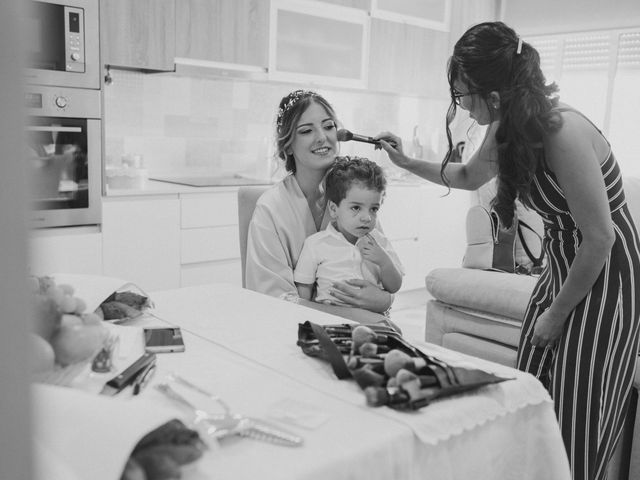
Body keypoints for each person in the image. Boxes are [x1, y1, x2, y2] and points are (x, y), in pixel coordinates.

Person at [375, 21, 640, 480]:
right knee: (530, 395)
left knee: (575, 415)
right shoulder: (507, 128)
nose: (461, 105)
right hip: (562, 265)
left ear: (494, 96)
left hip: (606, 278)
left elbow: (600, 239)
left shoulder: (563, 133)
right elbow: (465, 178)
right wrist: (403, 161)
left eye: (464, 97)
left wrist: (556, 315)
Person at [245, 90, 395, 325]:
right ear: (288, 145)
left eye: (328, 126)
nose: (322, 137)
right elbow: (272, 299)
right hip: (291, 330)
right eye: (306, 131)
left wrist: (383, 301)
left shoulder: (355, 199)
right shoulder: (270, 209)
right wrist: (361, 315)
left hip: (361, 329)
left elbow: (382, 277)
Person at [294, 156, 404, 306]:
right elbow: (304, 288)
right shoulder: (316, 244)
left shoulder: (379, 242)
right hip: (329, 317)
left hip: (369, 316)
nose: (367, 218)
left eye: (374, 209)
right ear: (333, 209)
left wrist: (384, 262)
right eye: (356, 208)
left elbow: (394, 287)